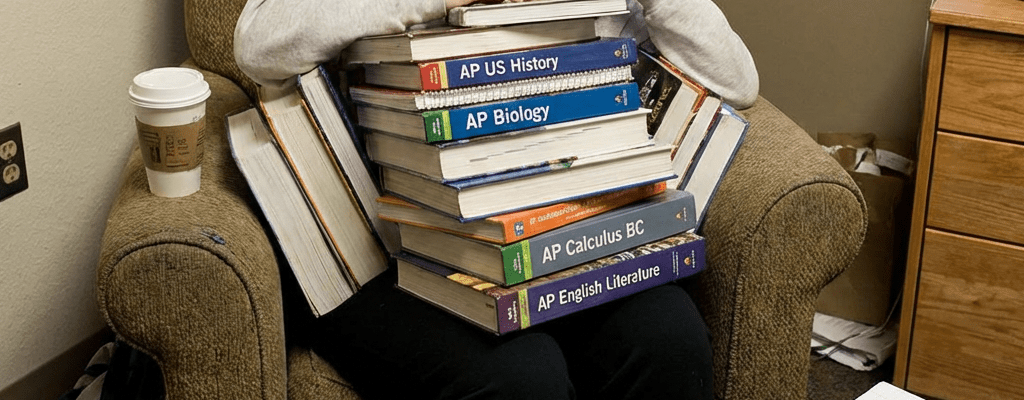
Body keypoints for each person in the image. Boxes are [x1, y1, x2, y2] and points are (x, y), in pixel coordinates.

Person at [234, 1, 759, 399]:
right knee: (523, 379)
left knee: (669, 340)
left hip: (561, 226)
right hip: (397, 240)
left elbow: (736, 80)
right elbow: (258, 45)